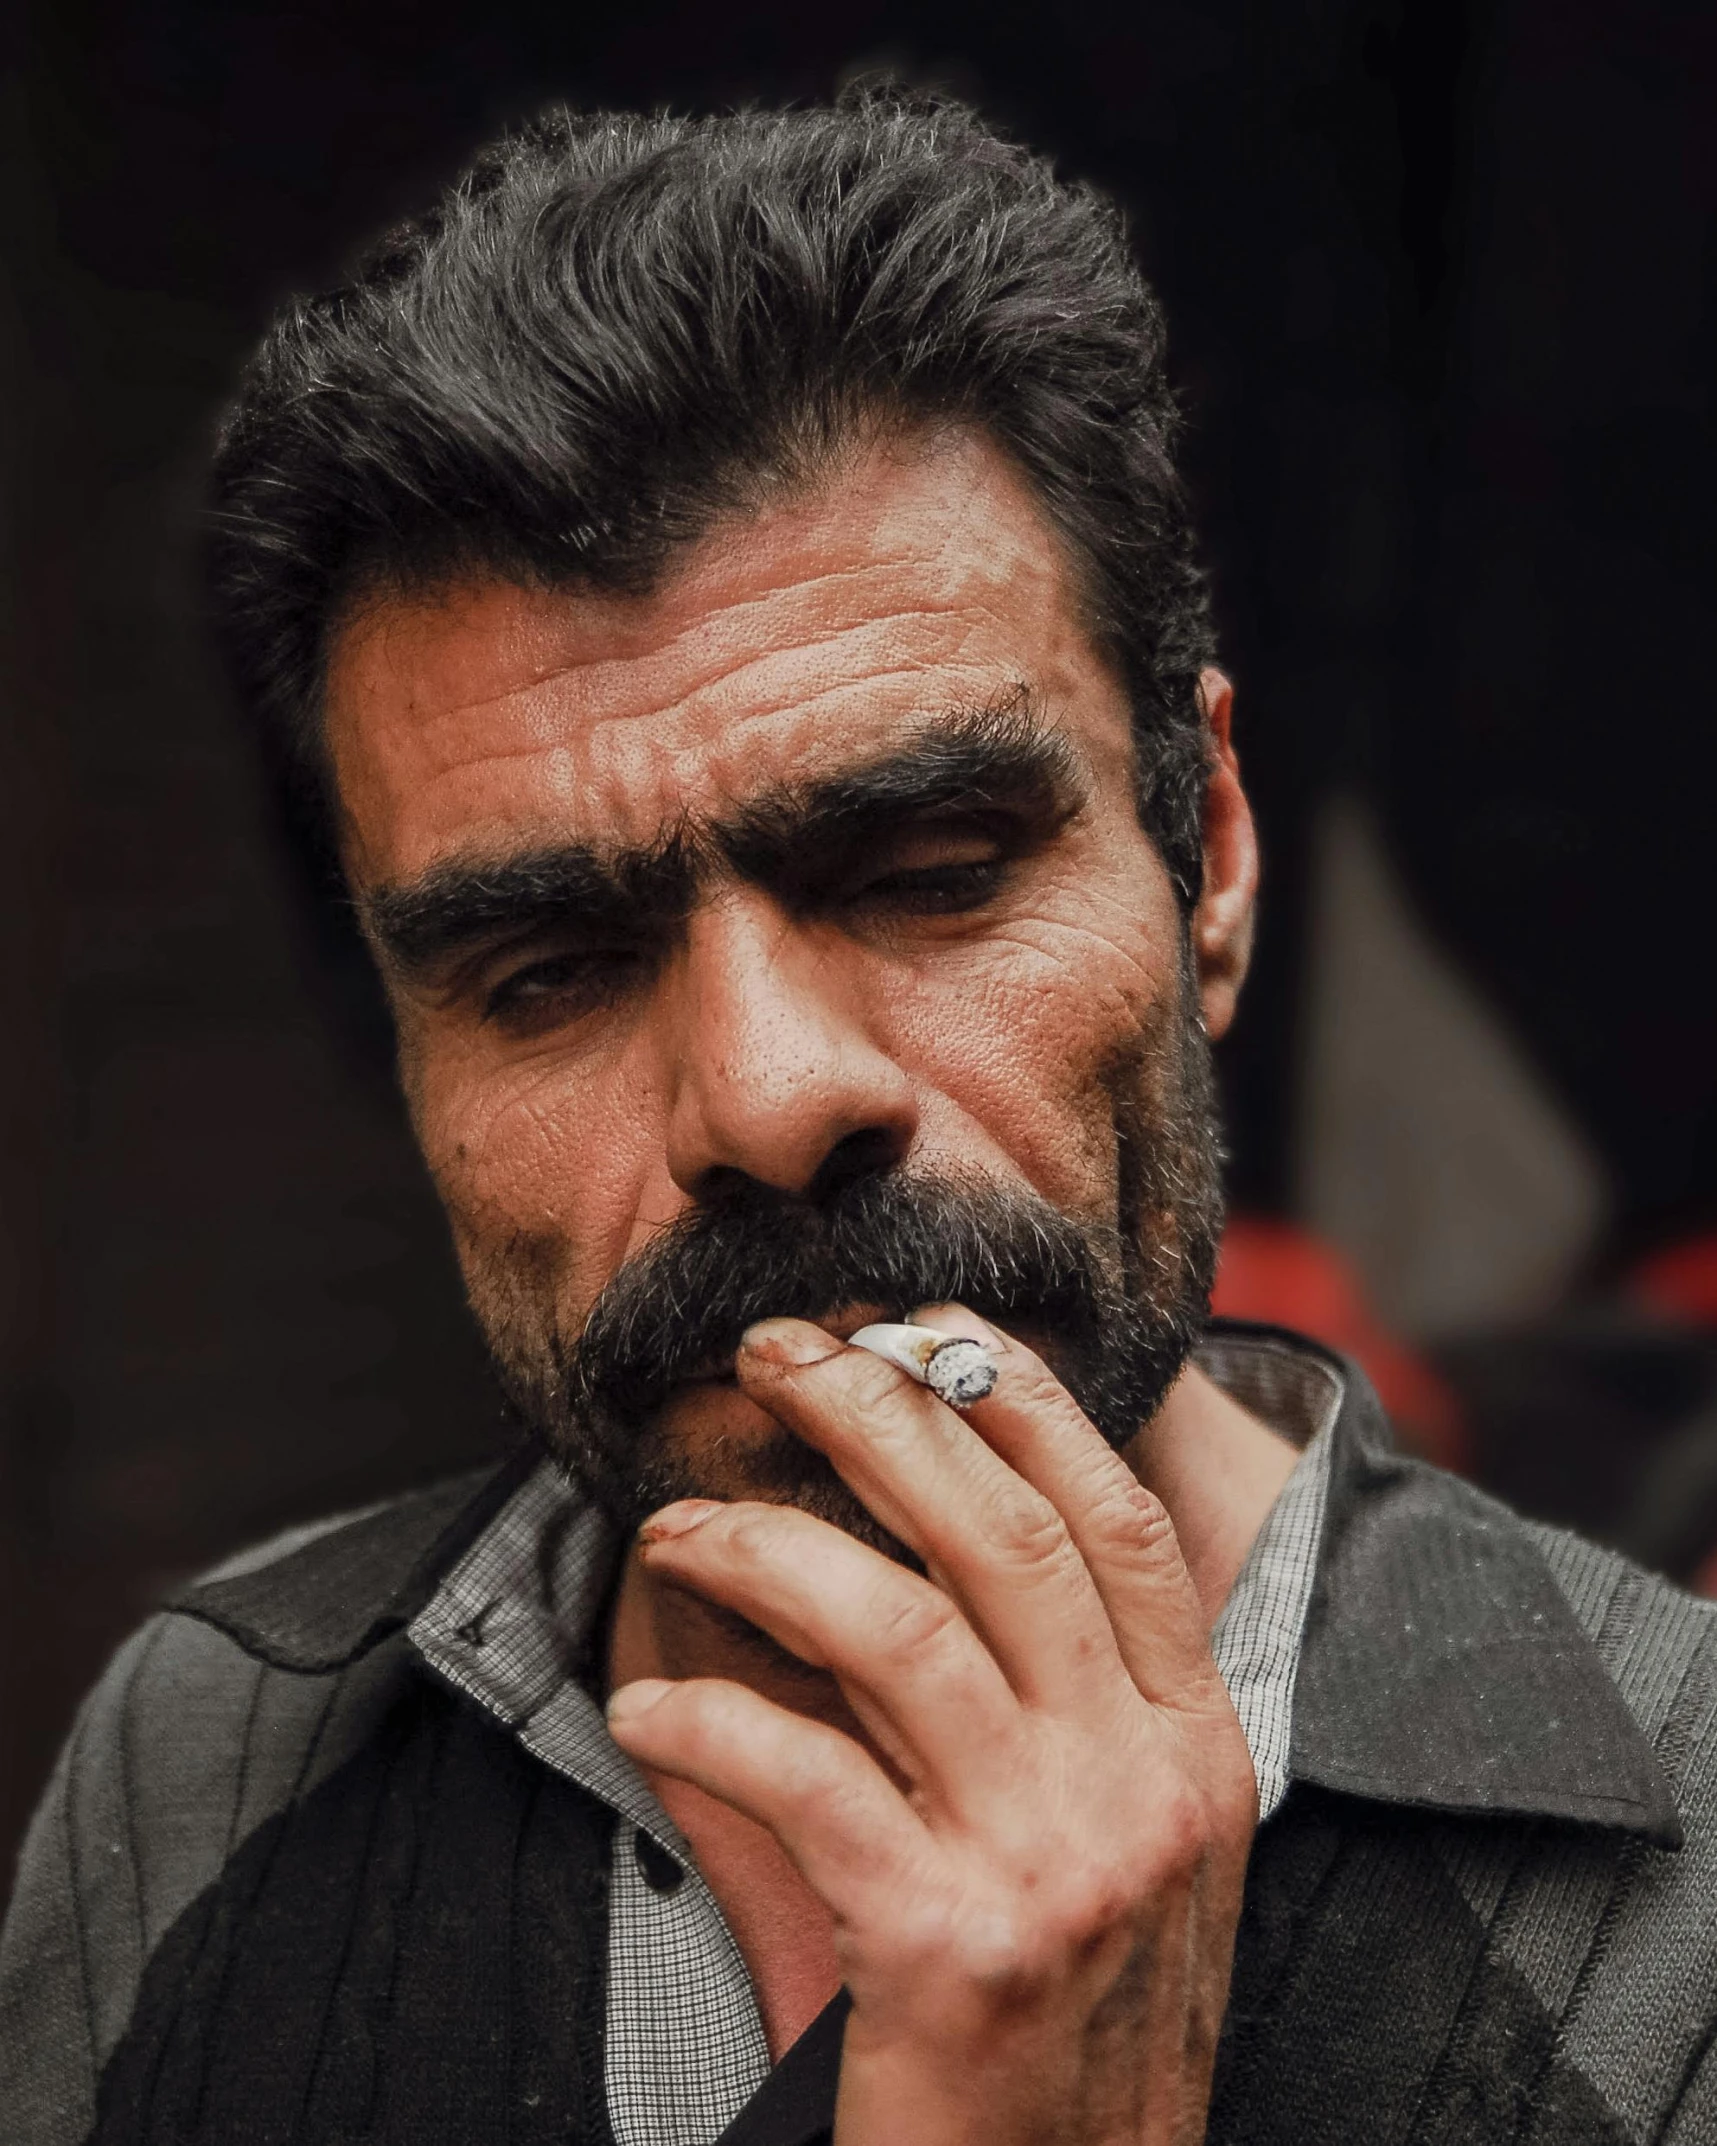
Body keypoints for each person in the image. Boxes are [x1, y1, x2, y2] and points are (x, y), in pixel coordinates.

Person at [3, 91, 1714, 2146]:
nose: (768, 1097)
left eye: (930, 868)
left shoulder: (1683, 1881)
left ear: (1214, 858)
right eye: (544, 969)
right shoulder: (209, 1748)